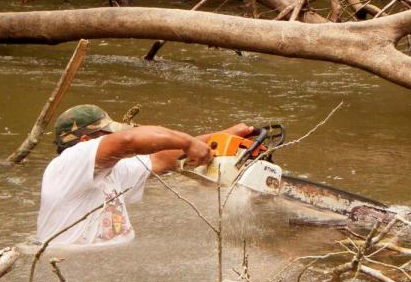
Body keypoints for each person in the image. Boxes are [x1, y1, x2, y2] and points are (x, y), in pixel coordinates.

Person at [36, 104, 252, 247]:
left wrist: (223, 137)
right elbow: (129, 140)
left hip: (106, 266)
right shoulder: (68, 163)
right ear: (85, 142)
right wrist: (188, 142)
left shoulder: (112, 169)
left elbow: (161, 158)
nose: (116, 137)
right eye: (109, 135)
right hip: (75, 269)